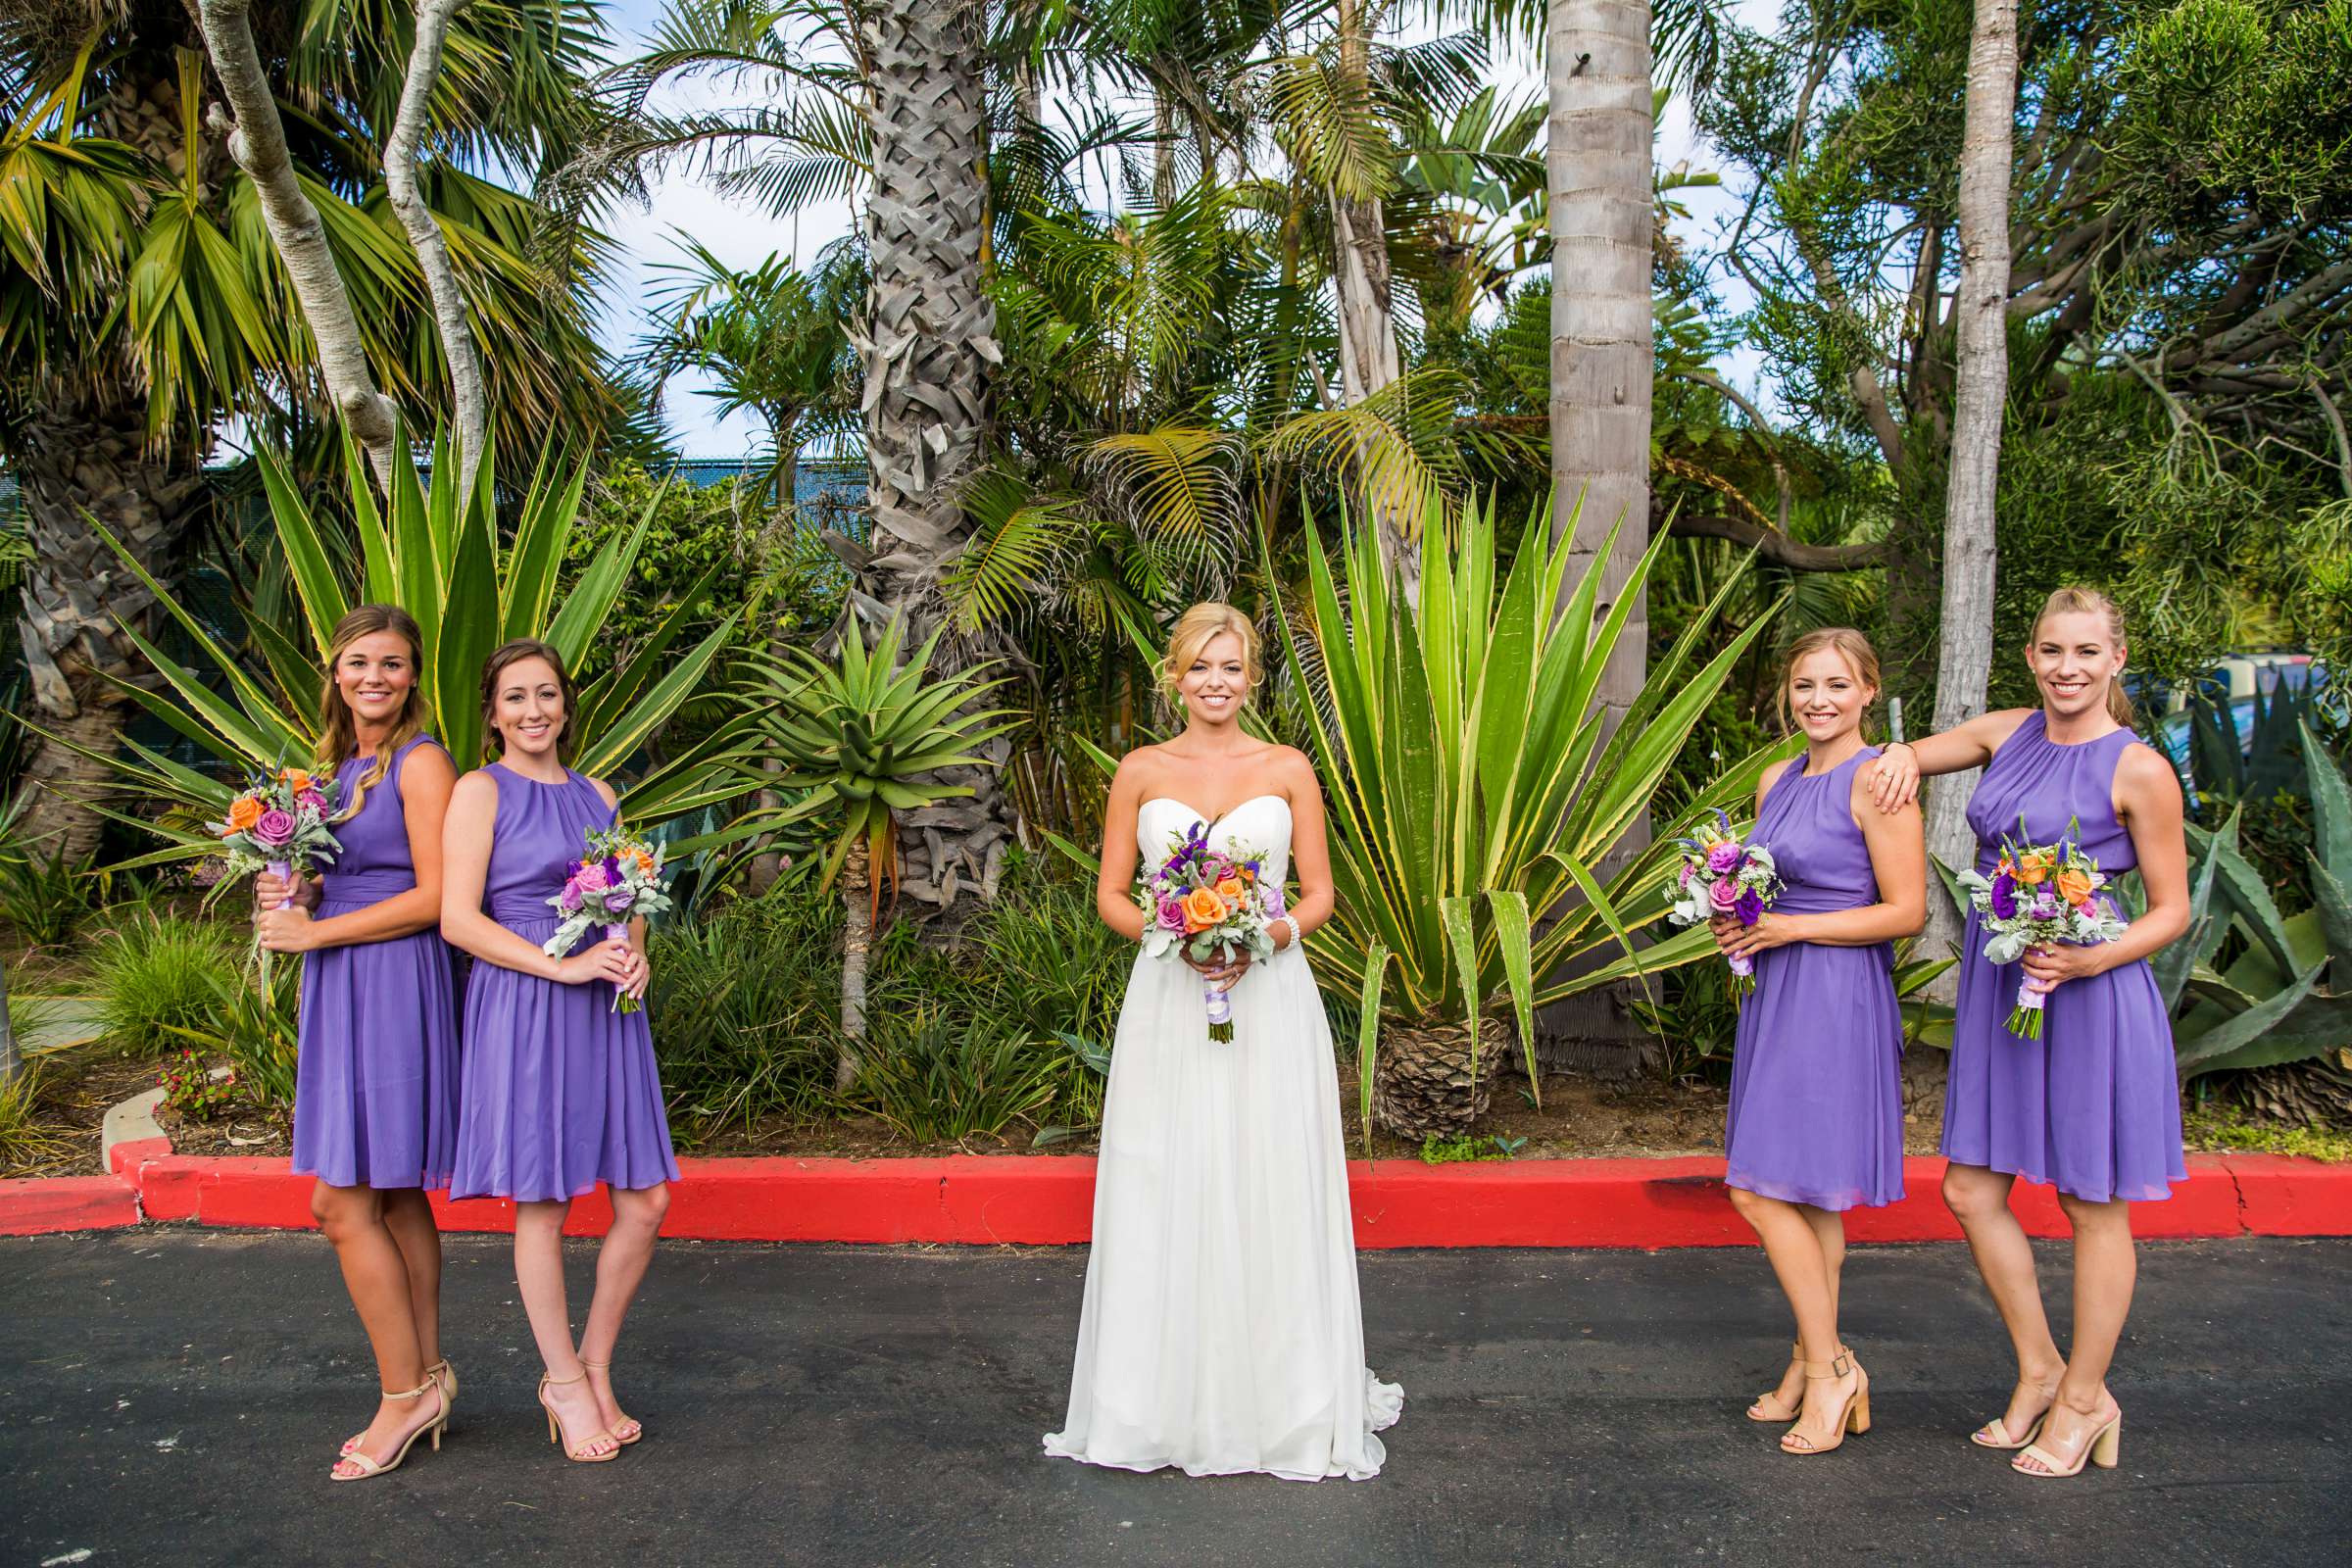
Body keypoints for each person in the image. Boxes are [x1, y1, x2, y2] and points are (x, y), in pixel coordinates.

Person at [1044, 603, 1402, 1480]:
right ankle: (1155, 1402)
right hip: (1169, 999)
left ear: (1253, 678)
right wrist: (1183, 937)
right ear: (1174, 676)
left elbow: (1315, 894)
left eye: (1232, 667)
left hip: (1273, 1003)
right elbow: (1112, 896)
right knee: (1168, 1175)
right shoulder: (1139, 769)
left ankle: (1282, 1400)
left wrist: (1259, 939)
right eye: (1201, 666)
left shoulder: (1287, 769)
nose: (1216, 682)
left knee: (1268, 1175)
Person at [1868, 587, 2188, 1478]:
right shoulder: (2007, 731)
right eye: (2052, 651)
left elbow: (2171, 910)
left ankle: (2086, 1399)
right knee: (1970, 1190)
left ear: (2116, 660)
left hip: (2091, 993)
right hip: (2003, 990)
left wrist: (2091, 961)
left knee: (2093, 1203)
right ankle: (2042, 1369)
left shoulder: (2139, 770)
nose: (2067, 669)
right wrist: (1894, 755)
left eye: (2086, 652)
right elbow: (1905, 760)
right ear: (2032, 658)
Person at [443, 639, 678, 1464]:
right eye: (516, 697)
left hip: (607, 1007)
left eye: (547, 694)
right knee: (544, 1204)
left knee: (645, 1200)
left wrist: (635, 947)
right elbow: (458, 920)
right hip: (528, 998)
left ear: (566, 706)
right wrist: (564, 964)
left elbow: (629, 894)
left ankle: (595, 1365)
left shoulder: (596, 792)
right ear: (493, 712)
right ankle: (563, 1383)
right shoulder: (480, 791)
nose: (534, 710)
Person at [258, 604, 461, 1482]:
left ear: (415, 676)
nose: (374, 677)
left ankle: (401, 1396)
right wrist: (288, 891)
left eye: (393, 663)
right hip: (341, 982)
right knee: (393, 1193)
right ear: (334, 672)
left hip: (393, 981)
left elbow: (440, 897)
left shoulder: (423, 763)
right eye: (358, 663)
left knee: (339, 1206)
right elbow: (326, 880)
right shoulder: (335, 770)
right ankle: (431, 1375)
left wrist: (318, 933)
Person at [1713, 629, 1924, 1456]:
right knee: (1803, 1193)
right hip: (1780, 987)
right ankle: (1810, 1360)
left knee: (1757, 1190)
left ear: (1869, 690)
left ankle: (1833, 1369)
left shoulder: (1879, 781)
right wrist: (1737, 914)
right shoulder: (1777, 778)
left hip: (1836, 992)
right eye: (1805, 685)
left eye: (1838, 684)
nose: (1819, 700)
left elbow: (1904, 911)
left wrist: (1793, 928)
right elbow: (1768, 880)